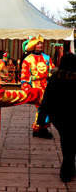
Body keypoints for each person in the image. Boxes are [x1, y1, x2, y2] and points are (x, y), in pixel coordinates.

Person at [37, 53, 76, 182]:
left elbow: (47, 98)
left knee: (66, 141)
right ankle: (68, 169)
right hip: (74, 116)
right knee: (72, 142)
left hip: (59, 117)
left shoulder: (55, 77)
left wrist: (41, 118)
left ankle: (67, 170)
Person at [21, 35, 55, 139]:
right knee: (42, 107)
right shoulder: (28, 60)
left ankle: (40, 128)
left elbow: (52, 71)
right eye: (38, 43)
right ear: (33, 46)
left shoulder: (47, 58)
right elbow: (24, 76)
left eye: (41, 43)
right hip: (36, 86)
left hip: (47, 85)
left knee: (47, 107)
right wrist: (26, 87)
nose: (40, 45)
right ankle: (40, 128)